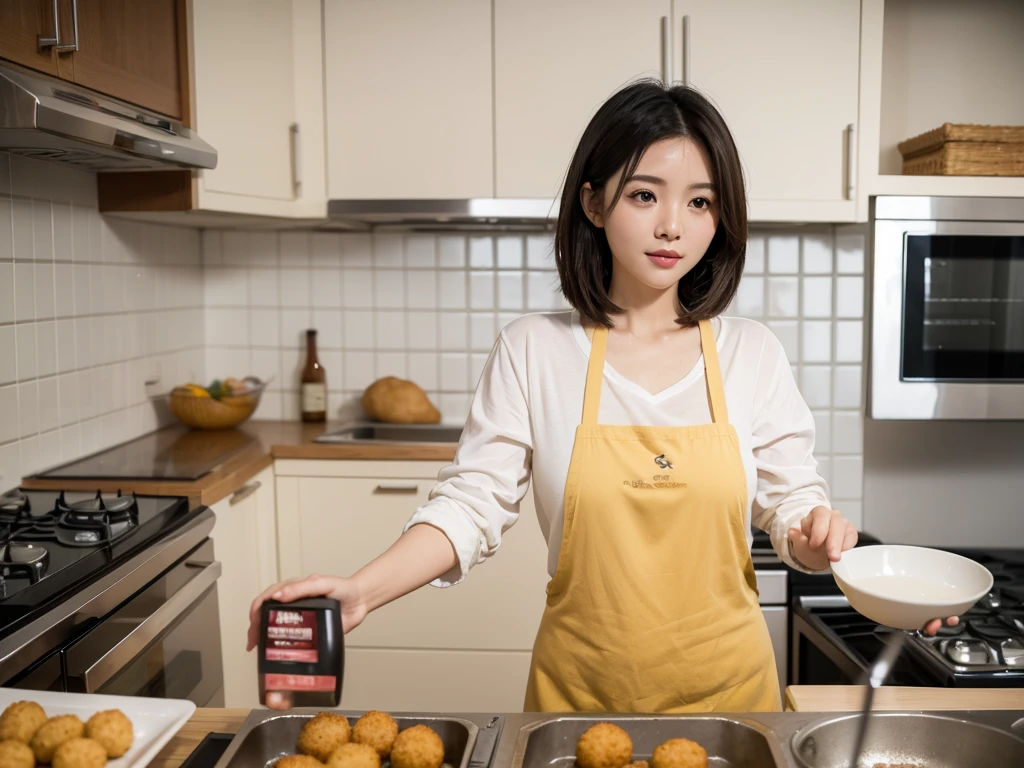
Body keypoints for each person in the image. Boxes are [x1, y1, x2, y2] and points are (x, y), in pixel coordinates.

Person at [247, 80, 957, 713]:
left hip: (733, 702)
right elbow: (471, 505)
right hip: (576, 700)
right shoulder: (534, 350)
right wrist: (361, 590)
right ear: (593, 201)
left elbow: (792, 508)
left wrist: (812, 535)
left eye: (700, 201)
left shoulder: (751, 353)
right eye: (645, 194)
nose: (673, 225)